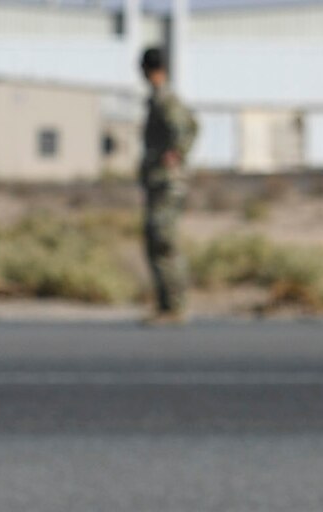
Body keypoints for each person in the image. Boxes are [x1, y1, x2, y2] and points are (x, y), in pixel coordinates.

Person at [139, 46, 199, 323]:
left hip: (167, 182)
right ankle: (166, 305)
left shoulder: (166, 100)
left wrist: (176, 153)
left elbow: (187, 127)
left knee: (164, 241)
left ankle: (175, 306)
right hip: (159, 181)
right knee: (155, 240)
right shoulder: (158, 99)